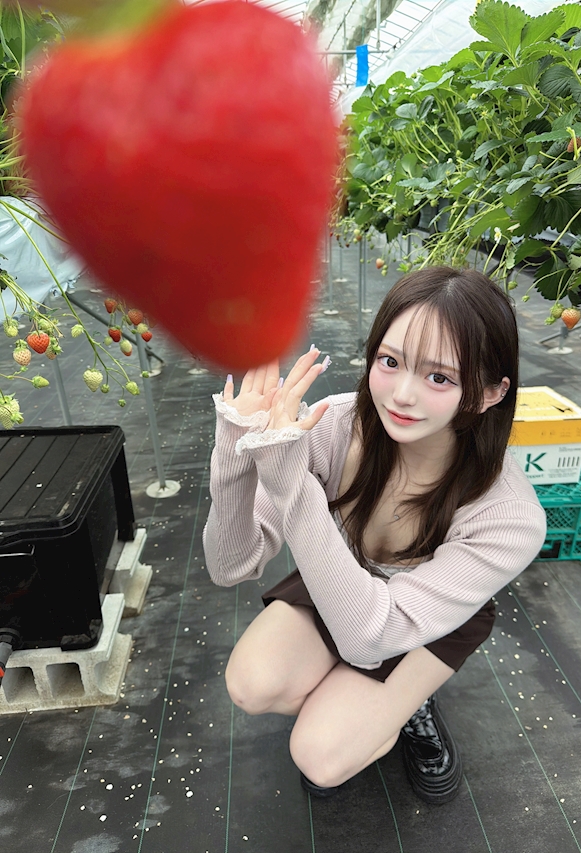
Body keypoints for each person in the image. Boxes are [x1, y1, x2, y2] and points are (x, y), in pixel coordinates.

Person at [203, 266, 547, 803]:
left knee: (321, 756)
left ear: (489, 393)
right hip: (340, 572)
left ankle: (405, 702)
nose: (402, 395)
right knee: (252, 684)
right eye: (390, 362)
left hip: (419, 617)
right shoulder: (332, 427)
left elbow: (369, 636)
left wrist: (290, 480)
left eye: (440, 378)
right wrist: (234, 446)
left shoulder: (508, 516)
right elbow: (231, 565)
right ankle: (367, 699)